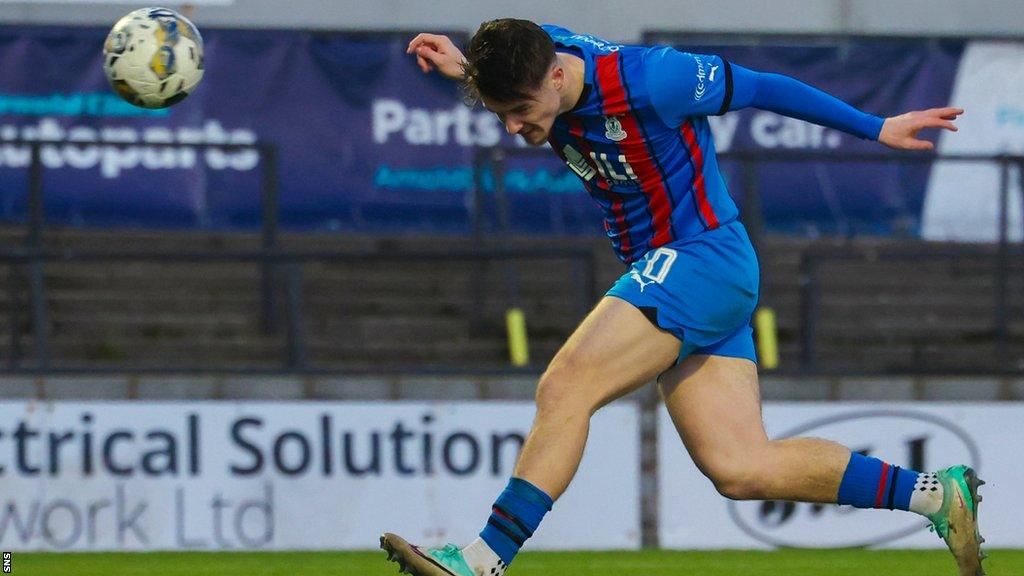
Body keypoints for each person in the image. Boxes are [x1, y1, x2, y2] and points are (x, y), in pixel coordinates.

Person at [382, 19, 983, 576]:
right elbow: (518, 79)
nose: (514, 127)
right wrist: (465, 68)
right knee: (741, 467)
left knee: (566, 387)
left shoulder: (656, 79)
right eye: (501, 112)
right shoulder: (539, 65)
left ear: (557, 76)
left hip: (699, 259)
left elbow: (763, 87)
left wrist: (876, 127)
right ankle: (932, 492)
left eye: (519, 110)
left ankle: (484, 558)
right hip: (692, 275)